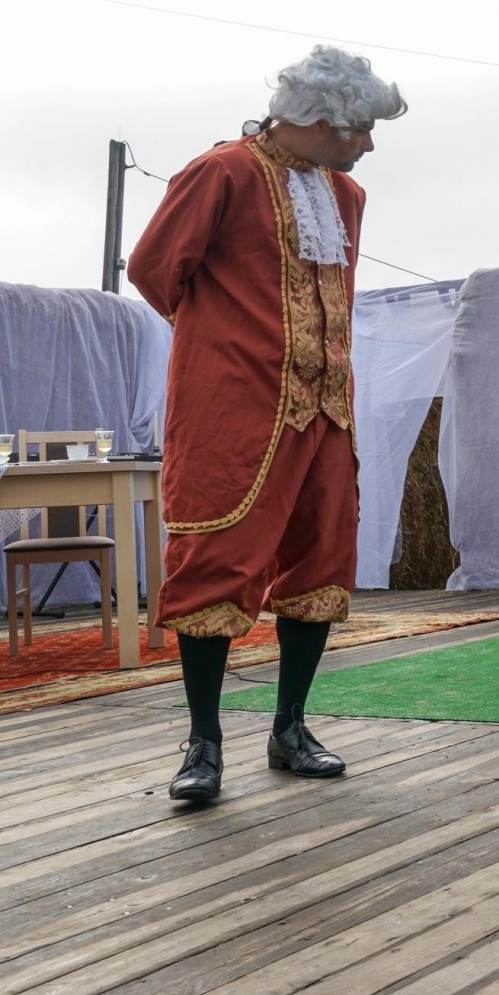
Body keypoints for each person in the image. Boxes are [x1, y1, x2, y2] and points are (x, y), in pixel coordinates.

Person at [128, 45, 407, 801]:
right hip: (233, 407)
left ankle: (291, 727)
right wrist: (226, 340)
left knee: (319, 561)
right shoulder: (221, 172)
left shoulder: (346, 195)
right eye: (360, 129)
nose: (368, 144)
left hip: (328, 410)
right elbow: (154, 270)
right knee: (214, 559)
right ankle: (204, 743)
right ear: (320, 121)